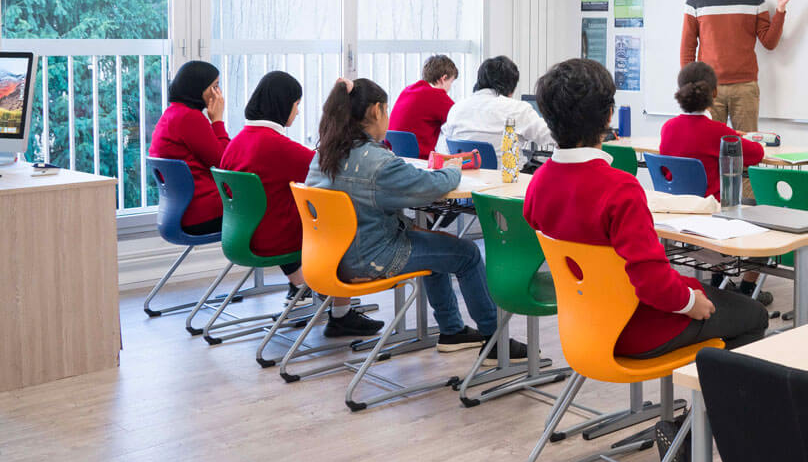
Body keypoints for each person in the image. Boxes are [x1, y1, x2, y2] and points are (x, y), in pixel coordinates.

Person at [523, 58, 768, 359]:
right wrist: (691, 302)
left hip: (583, 322)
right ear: (609, 114)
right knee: (754, 315)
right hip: (636, 327)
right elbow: (653, 284)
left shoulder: (538, 183)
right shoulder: (619, 189)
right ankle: (717, 403)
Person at [307, 77, 531, 360]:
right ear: (376, 111)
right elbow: (430, 186)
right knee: (468, 253)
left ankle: (452, 330)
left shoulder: (322, 155)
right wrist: (454, 168)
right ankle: (494, 339)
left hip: (331, 257)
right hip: (372, 257)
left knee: (433, 245)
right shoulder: (378, 163)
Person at [220, 71, 383, 338]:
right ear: (284, 105)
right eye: (296, 105)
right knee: (338, 225)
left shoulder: (238, 141)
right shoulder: (276, 146)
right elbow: (331, 167)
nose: (296, 113)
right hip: (272, 239)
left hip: (240, 236)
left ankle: (302, 286)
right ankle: (341, 315)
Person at [679, 0, 792, 132]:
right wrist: (690, 87)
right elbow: (688, 47)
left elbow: (769, 42)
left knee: (745, 149)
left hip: (745, 87)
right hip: (707, 87)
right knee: (709, 149)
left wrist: (780, 10)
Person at [659, 62, 765, 201]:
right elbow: (757, 154)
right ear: (715, 92)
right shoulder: (720, 133)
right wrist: (735, 137)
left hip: (675, 206)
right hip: (709, 209)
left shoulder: (667, 128)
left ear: (680, 91)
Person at [149, 60, 229, 235]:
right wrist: (217, 121)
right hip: (201, 215)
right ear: (199, 88)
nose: (219, 93)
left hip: (175, 214)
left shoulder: (171, 114)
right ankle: (290, 262)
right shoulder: (189, 118)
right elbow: (224, 162)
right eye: (215, 86)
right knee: (270, 205)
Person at [440, 55, 555, 164]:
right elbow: (553, 137)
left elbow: (446, 148)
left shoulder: (456, 109)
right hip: (508, 181)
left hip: (465, 179)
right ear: (511, 87)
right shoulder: (518, 109)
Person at [388, 54, 459, 159]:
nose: (450, 88)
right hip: (420, 161)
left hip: (394, 156)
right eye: (451, 82)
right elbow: (459, 119)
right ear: (443, 79)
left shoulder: (408, 90)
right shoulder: (438, 97)